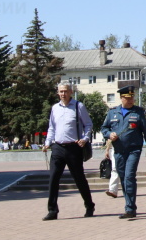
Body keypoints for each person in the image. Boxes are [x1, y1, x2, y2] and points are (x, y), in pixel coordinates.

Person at [100, 85, 146, 219]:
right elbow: (104, 128)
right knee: (124, 178)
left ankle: (130, 208)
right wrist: (109, 134)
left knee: (130, 177)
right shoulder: (113, 113)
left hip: (133, 150)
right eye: (128, 98)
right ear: (121, 98)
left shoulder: (138, 113)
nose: (131, 100)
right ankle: (129, 205)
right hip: (118, 151)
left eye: (132, 97)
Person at [42, 83, 95, 221]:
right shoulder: (54, 108)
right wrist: (47, 143)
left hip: (74, 148)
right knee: (53, 179)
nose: (63, 94)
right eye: (60, 92)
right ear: (58, 93)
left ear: (71, 92)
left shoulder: (78, 106)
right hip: (58, 147)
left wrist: (85, 138)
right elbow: (51, 128)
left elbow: (88, 124)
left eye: (65, 91)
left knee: (79, 179)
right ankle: (52, 210)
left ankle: (89, 206)